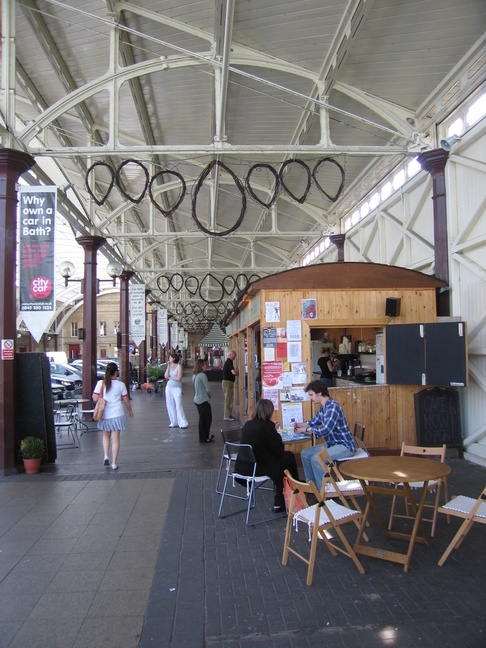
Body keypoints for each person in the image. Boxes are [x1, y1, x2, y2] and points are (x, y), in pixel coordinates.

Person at [235, 399, 299, 513]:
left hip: (244, 467)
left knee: (282, 462)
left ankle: (284, 495)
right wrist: (273, 431)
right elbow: (278, 450)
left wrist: (271, 428)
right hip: (259, 468)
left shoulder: (248, 425)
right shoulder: (267, 427)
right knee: (288, 458)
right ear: (269, 412)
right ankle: (291, 491)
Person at [294, 380, 356, 491]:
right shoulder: (323, 408)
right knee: (305, 453)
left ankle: (323, 490)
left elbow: (325, 430)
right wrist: (297, 425)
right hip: (332, 444)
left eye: (311, 395)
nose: (310, 398)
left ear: (320, 393)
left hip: (345, 446)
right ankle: (311, 486)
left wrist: (307, 429)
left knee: (316, 459)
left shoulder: (333, 407)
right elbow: (313, 423)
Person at [92, 362, 134, 470]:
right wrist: (130, 411)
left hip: (104, 414)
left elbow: (95, 398)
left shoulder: (101, 383)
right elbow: (126, 400)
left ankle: (106, 456)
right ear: (116, 372)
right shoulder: (121, 385)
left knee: (105, 435)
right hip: (117, 414)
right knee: (115, 439)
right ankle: (114, 463)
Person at [164, 352, 188, 429]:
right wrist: (168, 366)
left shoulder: (179, 367)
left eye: (170, 357)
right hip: (169, 387)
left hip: (177, 388)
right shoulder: (170, 366)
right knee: (170, 404)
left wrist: (170, 378)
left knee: (178, 404)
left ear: (174, 358)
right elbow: (166, 376)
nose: (169, 359)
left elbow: (178, 378)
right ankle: (173, 421)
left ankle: (182, 422)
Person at [193, 358, 214, 443]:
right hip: (203, 399)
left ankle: (202, 437)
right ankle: (206, 436)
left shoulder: (194, 375)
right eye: (204, 364)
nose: (206, 366)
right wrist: (210, 395)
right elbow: (207, 388)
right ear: (201, 366)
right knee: (208, 418)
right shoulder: (202, 375)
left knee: (202, 418)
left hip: (197, 399)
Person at [222, 350, 239, 421]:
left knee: (229, 399)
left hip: (227, 382)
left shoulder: (229, 362)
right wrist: (238, 373)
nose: (235, 357)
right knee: (228, 399)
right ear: (230, 355)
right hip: (227, 383)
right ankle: (227, 416)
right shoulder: (229, 362)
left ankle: (229, 415)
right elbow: (233, 372)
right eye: (234, 355)